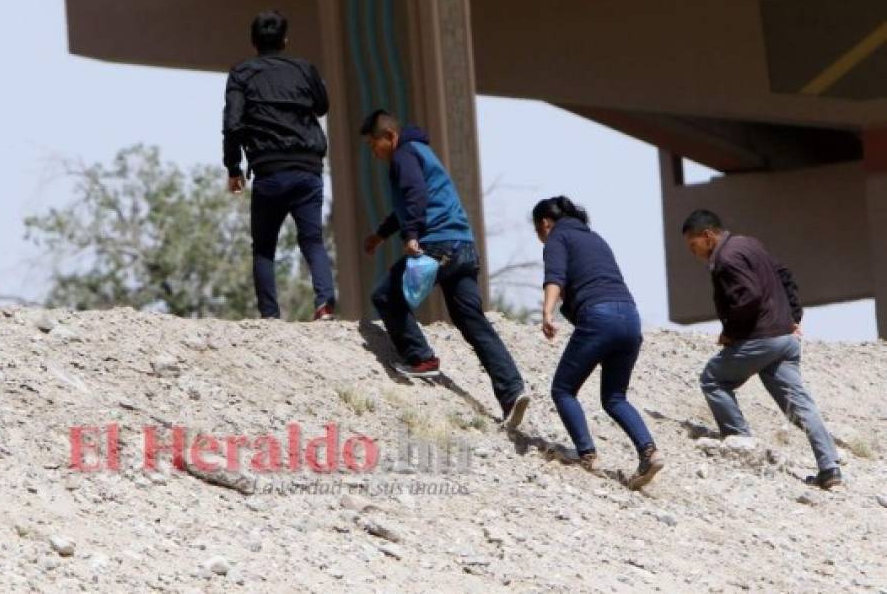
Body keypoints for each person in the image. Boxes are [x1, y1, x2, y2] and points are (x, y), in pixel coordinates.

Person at [360, 109, 530, 429]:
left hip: (437, 246)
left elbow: (415, 196)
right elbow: (411, 204)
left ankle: (420, 358)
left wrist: (411, 236)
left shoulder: (403, 155)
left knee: (386, 296)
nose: (374, 151)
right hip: (463, 248)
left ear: (390, 137)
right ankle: (512, 392)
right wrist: (382, 235)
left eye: (374, 144)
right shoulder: (422, 153)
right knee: (472, 321)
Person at [682, 209, 842, 489]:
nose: (694, 253)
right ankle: (830, 468)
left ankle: (740, 441)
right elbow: (784, 274)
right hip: (785, 340)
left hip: (761, 339)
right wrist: (793, 318)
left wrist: (730, 332)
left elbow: (750, 297)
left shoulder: (726, 258)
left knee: (713, 379)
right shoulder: (749, 244)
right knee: (801, 407)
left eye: (693, 245)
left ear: (707, 236)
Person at [535, 196, 663, 489]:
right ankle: (650, 452)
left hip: (598, 317)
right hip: (630, 318)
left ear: (544, 223)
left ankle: (587, 456)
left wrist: (547, 312)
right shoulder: (595, 239)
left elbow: (555, 277)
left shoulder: (557, 236)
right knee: (615, 397)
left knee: (563, 389)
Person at [222, 10, 336, 321]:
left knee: (263, 248)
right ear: (285, 40)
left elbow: (233, 124)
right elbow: (323, 104)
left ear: (253, 42)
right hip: (307, 169)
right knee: (312, 240)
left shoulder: (242, 74)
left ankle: (270, 317)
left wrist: (233, 167)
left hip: (269, 171)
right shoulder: (304, 70)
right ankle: (325, 304)